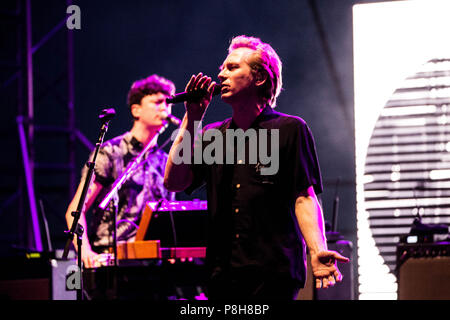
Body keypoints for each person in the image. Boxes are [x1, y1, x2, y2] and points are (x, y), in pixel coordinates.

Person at [164, 35, 349, 300]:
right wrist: (192, 117)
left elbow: (304, 197)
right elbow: (175, 181)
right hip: (222, 273)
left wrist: (317, 250)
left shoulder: (290, 129)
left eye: (232, 68)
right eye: (222, 68)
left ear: (259, 78)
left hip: (273, 273)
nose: (221, 75)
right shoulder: (211, 135)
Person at [65, 74, 176, 268]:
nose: (165, 107)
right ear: (136, 110)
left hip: (154, 264)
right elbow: (75, 210)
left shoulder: (166, 162)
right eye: (157, 102)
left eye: (168, 102)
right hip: (112, 259)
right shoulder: (110, 152)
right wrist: (86, 253)